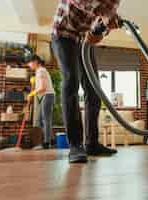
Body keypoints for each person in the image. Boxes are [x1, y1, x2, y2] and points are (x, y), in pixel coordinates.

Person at [51, 0, 121, 163]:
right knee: (71, 82)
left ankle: (91, 143)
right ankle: (75, 145)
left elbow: (97, 33)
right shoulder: (103, 7)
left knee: (94, 88)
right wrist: (105, 15)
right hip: (63, 34)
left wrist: (103, 28)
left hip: (84, 42)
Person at [27, 55, 56, 149]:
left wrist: (31, 94)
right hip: (45, 96)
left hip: (48, 95)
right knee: (39, 120)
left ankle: (46, 143)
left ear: (35, 61)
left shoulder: (41, 71)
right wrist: (34, 83)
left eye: (29, 62)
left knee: (45, 120)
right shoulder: (39, 71)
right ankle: (51, 139)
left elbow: (43, 87)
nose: (28, 65)